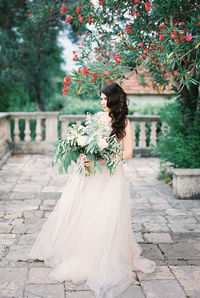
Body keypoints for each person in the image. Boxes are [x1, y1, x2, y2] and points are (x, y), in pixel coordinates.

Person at [28, 82, 155, 298]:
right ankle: (83, 251)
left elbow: (128, 153)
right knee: (85, 211)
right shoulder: (96, 117)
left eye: (105, 99)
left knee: (106, 214)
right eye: (101, 99)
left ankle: (105, 255)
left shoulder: (124, 122)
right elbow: (85, 144)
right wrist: (84, 155)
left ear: (114, 100)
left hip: (111, 176)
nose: (102, 102)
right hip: (90, 174)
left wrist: (106, 158)